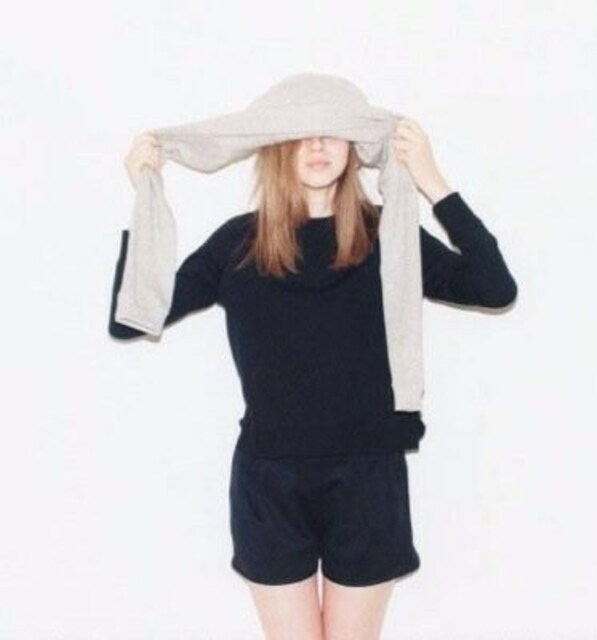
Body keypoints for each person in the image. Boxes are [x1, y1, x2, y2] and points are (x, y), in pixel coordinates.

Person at [109, 118, 517, 640]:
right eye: (302, 131)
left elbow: (494, 287)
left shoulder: (388, 236)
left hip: (368, 478)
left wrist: (430, 180)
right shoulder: (240, 242)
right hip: (270, 483)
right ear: (276, 146)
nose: (318, 144)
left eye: (332, 130)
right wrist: (144, 195)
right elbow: (131, 319)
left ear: (354, 146)